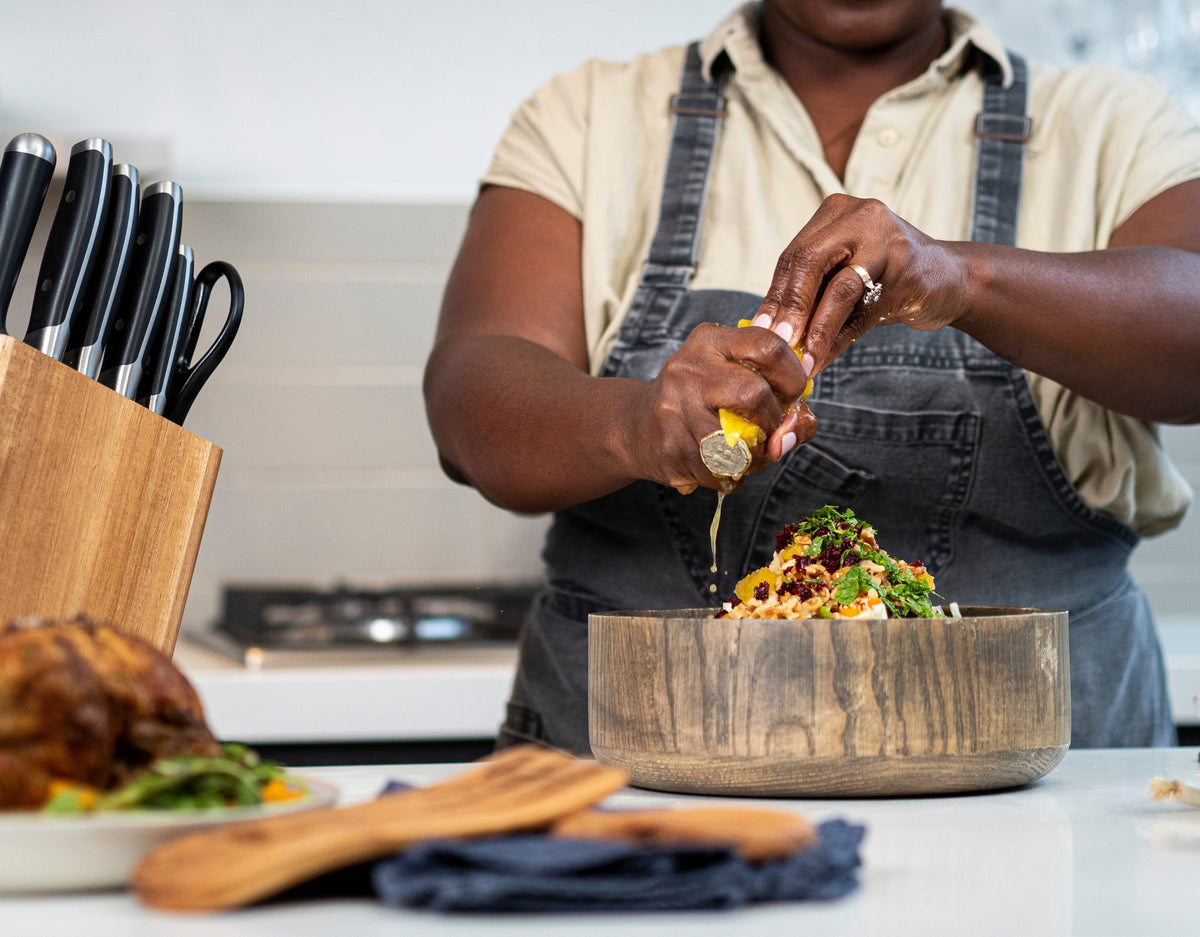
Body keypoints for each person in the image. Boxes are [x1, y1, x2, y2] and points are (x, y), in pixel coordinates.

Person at [424, 0, 1200, 753]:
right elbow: (472, 401)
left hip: (1037, 786)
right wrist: (638, 424)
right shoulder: (587, 116)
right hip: (624, 794)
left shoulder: (1116, 125)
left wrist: (964, 278)